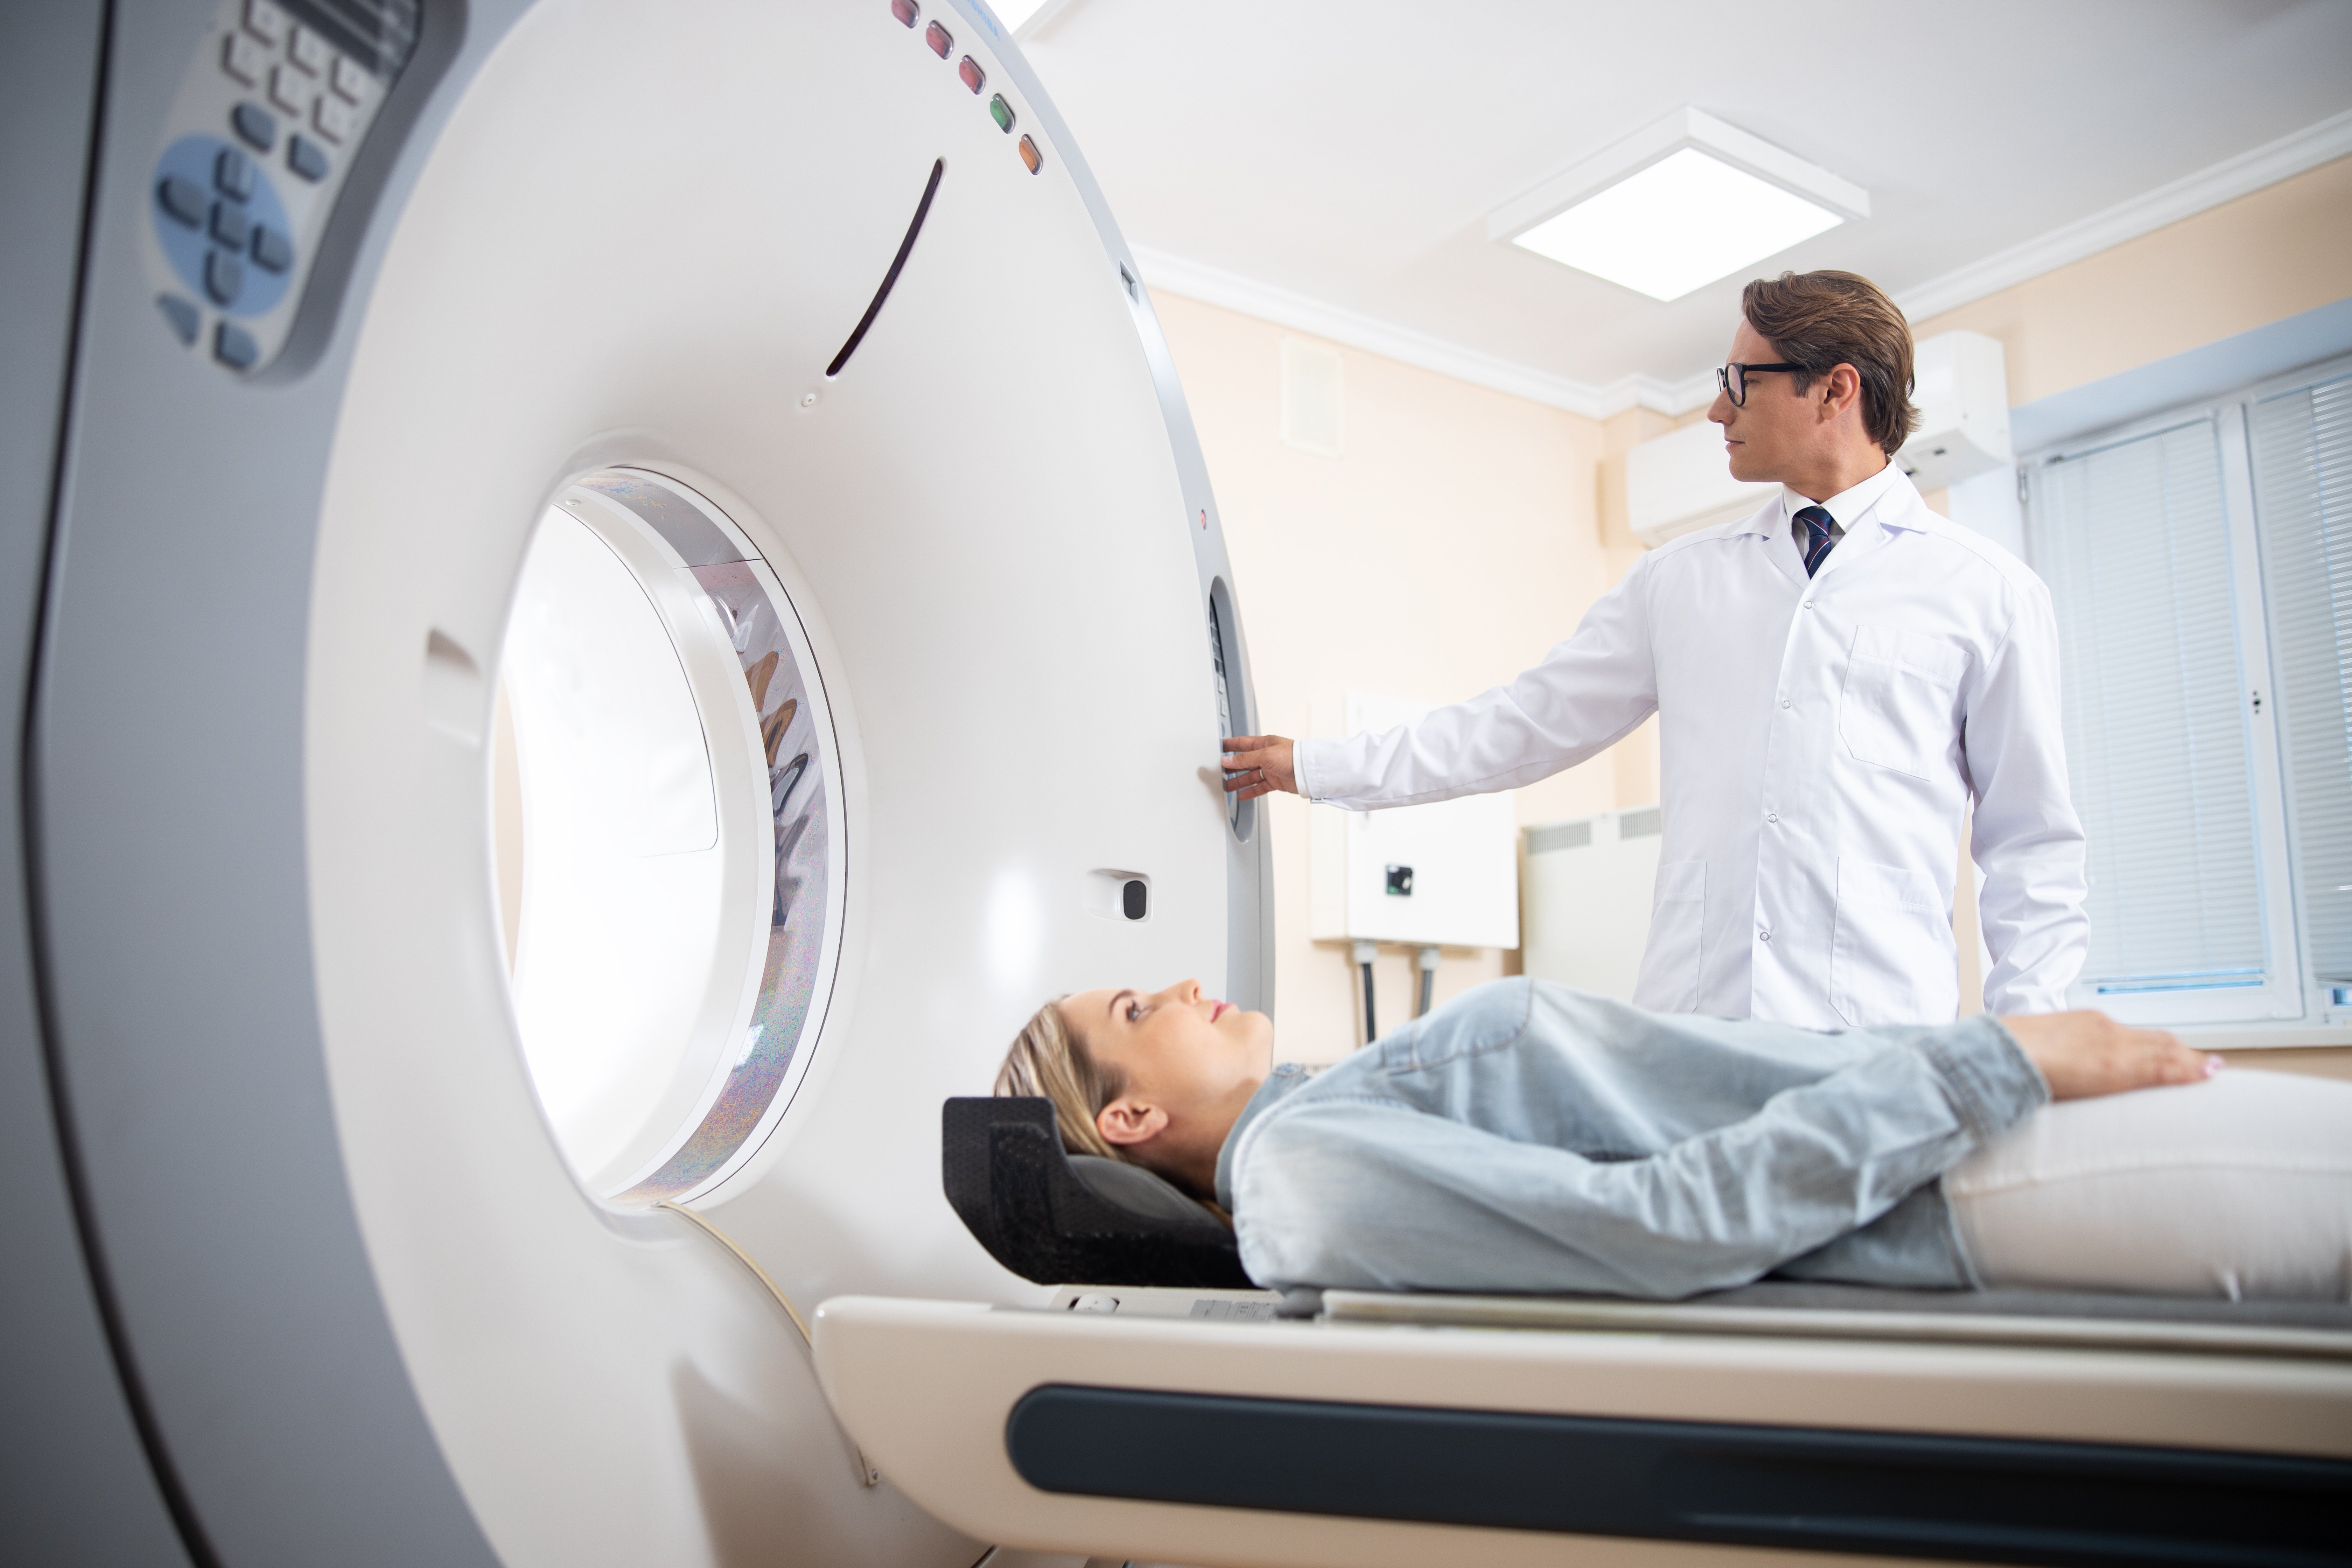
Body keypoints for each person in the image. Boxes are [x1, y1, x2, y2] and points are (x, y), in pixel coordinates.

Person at [1219, 271, 2087, 1028]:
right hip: (1692, 1032)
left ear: (1835, 392)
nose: (1717, 407)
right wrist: (1320, 766)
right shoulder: (1682, 582)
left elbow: (2033, 849)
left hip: (1879, 1039)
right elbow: (1522, 724)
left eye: (1742, 381)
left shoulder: (1986, 593)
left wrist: (2031, 1052)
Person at [995, 978, 2352, 1301]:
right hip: (1966, 1167)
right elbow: (1661, 1225)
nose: (1178, 984)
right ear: (1128, 1117)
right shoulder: (1305, 1177)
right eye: (1136, 1005)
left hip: (1966, 1113)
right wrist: (1999, 1060)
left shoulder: (1327, 1107)